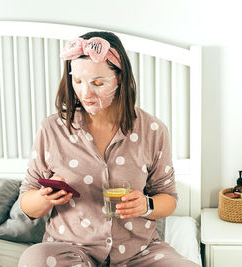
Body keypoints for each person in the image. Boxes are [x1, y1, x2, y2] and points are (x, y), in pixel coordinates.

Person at [18, 31, 199, 267]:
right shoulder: (52, 129)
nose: (85, 93)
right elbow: (27, 203)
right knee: (34, 260)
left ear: (120, 78)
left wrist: (146, 205)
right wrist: (44, 199)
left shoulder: (153, 130)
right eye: (77, 81)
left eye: (97, 83)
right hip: (70, 251)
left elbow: (168, 198)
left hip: (139, 253)